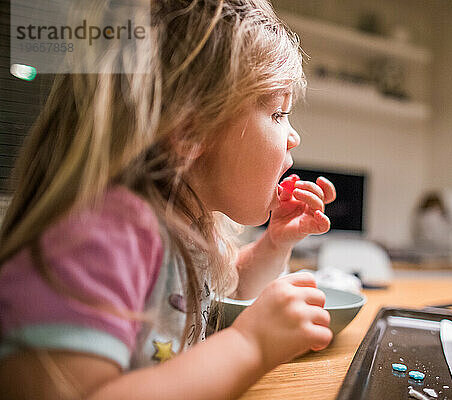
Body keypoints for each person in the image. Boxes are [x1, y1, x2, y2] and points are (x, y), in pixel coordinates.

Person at [0, 1, 337, 398]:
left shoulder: (181, 225)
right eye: (279, 114)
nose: (293, 136)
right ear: (190, 130)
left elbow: (219, 294)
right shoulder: (101, 235)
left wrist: (275, 243)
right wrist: (250, 345)